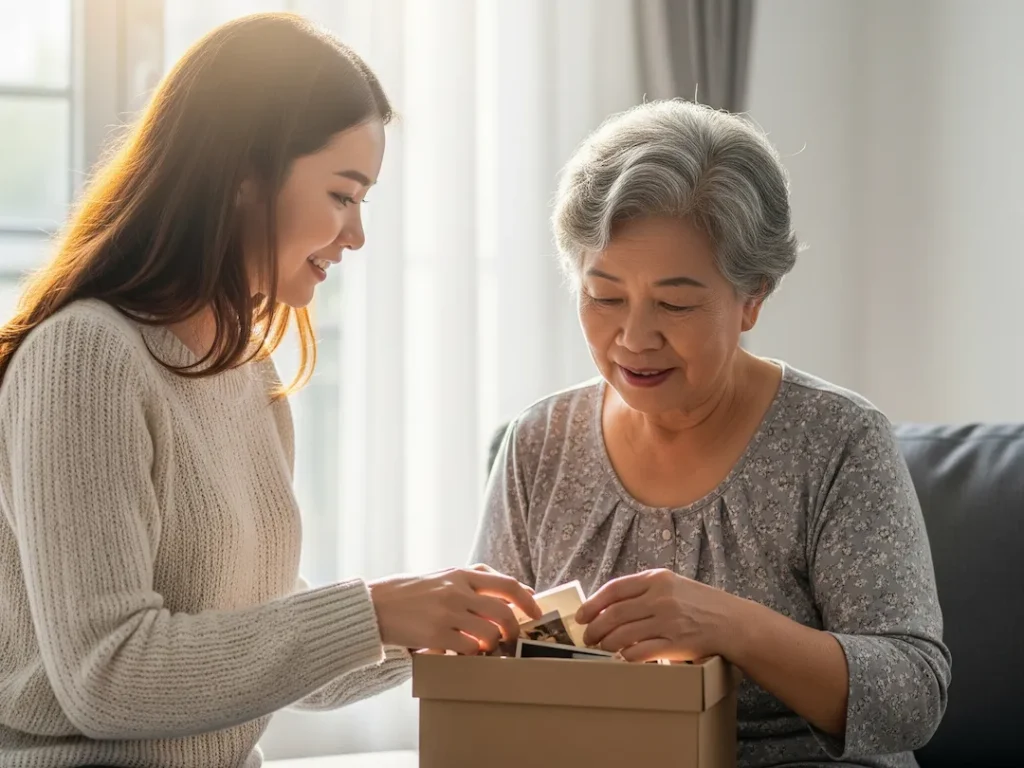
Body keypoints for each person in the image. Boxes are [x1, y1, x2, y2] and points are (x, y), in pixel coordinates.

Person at [0, 13, 541, 768]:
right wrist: (374, 611)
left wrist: (440, 625)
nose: (356, 237)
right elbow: (107, 673)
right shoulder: (84, 359)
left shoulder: (248, 373)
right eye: (343, 194)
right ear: (243, 177)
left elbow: (257, 643)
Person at [472, 100, 950, 768]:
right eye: (604, 295)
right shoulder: (538, 443)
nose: (634, 339)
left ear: (752, 296)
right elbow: (490, 685)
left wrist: (732, 626)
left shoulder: (837, 441)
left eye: (675, 303)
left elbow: (912, 696)